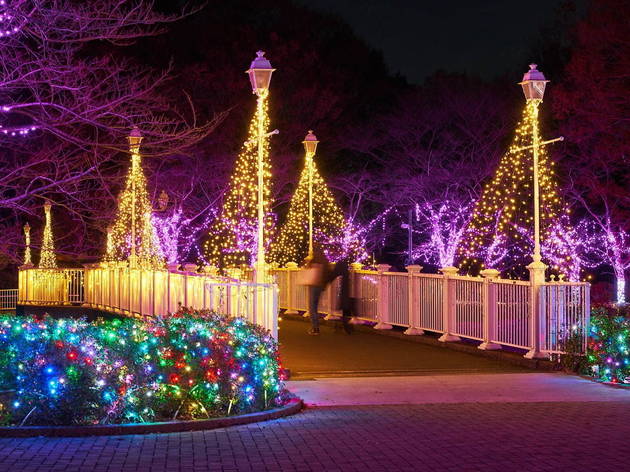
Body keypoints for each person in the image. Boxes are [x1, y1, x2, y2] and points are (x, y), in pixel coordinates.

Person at [303, 245, 330, 335]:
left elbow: (307, 269)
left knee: (312, 307)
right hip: (320, 286)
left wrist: (307, 262)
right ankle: (316, 325)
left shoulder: (314, 260)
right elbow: (327, 272)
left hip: (313, 285)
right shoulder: (324, 261)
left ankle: (315, 327)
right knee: (315, 306)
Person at [330, 257, 354, 334]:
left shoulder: (342, 272)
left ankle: (345, 327)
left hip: (345, 295)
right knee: (347, 311)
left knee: (345, 310)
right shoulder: (347, 273)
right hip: (349, 295)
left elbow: (332, 275)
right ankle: (346, 327)